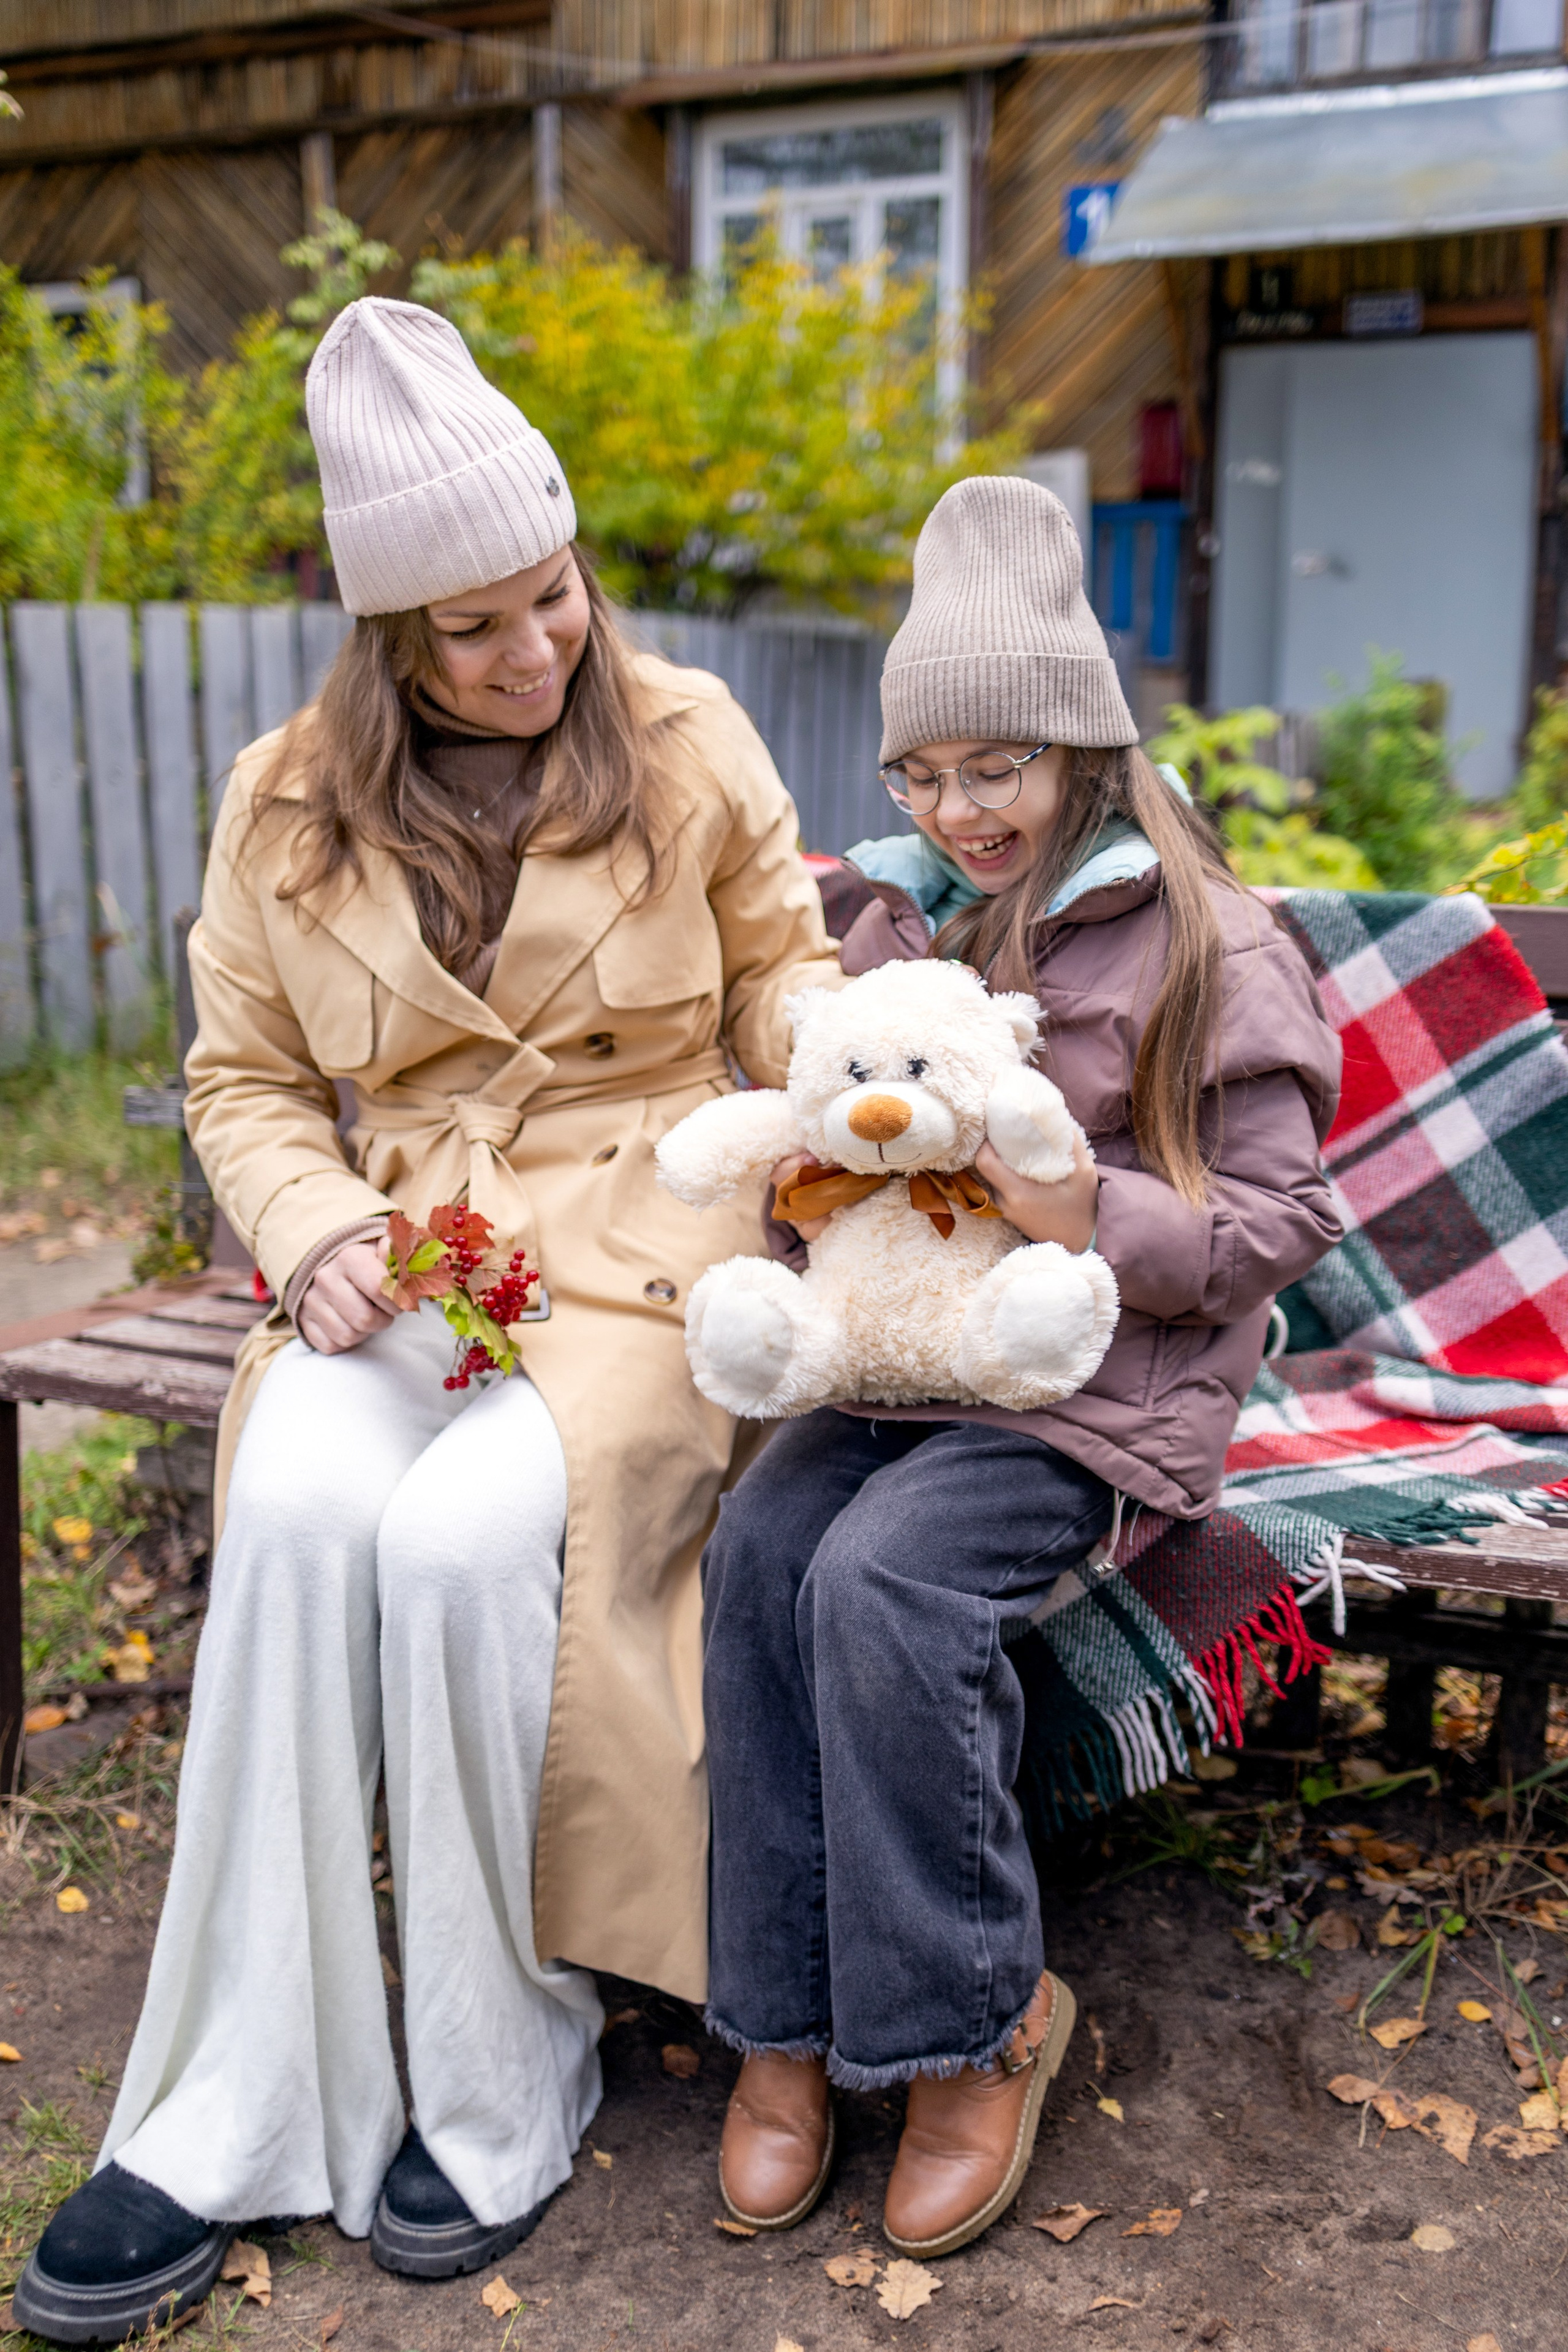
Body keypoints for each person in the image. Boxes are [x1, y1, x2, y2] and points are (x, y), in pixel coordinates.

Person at [13, 297, 839, 2348]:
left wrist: (855, 1064)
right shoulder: (284, 800)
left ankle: (499, 2079)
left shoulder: (690, 737)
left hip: (644, 1247)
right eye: (471, 628)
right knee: (301, 1518)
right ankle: (231, 2106)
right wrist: (306, 1228)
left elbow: (782, 981)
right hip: (406, 1252)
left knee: (469, 1546)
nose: (531, 649)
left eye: (550, 593)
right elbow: (243, 1080)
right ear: (387, 634)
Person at [702, 476, 1343, 2261]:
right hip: (906, 1364)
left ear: (1082, 747)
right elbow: (841, 1131)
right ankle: (781, 2026)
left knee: (887, 1580)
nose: (957, 811)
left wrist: (1086, 1212)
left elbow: (1287, 1216)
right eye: (921, 773)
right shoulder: (893, 920)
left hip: (1096, 1383)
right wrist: (803, 1213)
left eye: (998, 768)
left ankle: (976, 2024)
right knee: (759, 1555)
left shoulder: (1208, 937)